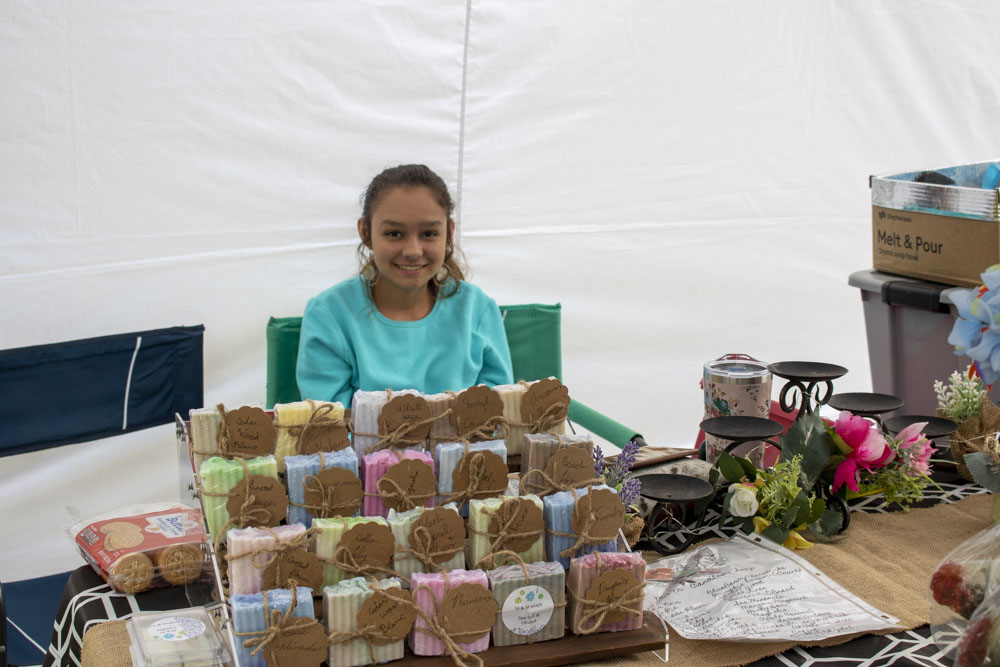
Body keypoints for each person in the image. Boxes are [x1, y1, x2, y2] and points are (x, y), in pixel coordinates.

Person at [296, 164, 514, 406]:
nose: (413, 251)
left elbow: (498, 413)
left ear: (449, 233)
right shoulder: (329, 314)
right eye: (394, 234)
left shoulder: (477, 309)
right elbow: (329, 421)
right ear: (365, 232)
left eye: (429, 233)